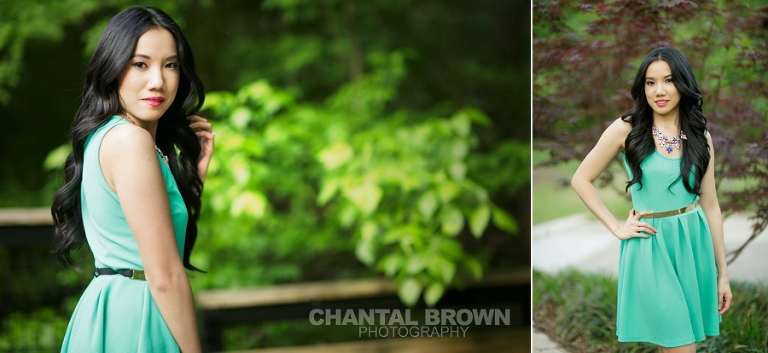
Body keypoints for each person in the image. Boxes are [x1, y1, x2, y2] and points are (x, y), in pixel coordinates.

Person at [51, 6, 214, 352]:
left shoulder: (109, 136)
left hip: (113, 311)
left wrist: (193, 174)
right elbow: (165, 276)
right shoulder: (130, 140)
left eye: (170, 65)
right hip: (137, 317)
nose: (158, 80)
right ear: (113, 68)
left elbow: (141, 238)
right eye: (140, 64)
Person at [571, 47, 732, 352]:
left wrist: (722, 273)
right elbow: (581, 179)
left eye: (668, 81)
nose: (659, 90)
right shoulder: (626, 129)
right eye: (650, 82)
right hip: (652, 245)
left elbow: (711, 205)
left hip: (692, 245)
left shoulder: (700, 136)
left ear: (683, 84)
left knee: (674, 342)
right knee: (680, 344)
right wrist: (616, 227)